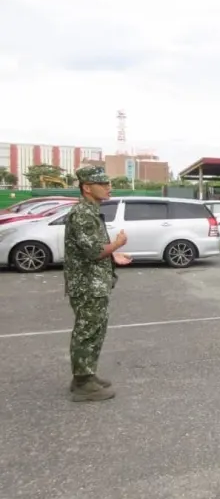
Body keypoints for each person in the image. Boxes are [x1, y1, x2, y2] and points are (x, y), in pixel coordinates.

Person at [64, 166, 131, 402]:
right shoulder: (82, 213)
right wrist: (118, 244)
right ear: (87, 187)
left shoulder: (91, 212)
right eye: (103, 184)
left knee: (95, 330)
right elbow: (93, 252)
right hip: (87, 286)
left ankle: (86, 375)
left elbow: (90, 251)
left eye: (108, 183)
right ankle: (83, 383)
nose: (108, 187)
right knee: (87, 331)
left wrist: (113, 256)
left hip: (95, 283)